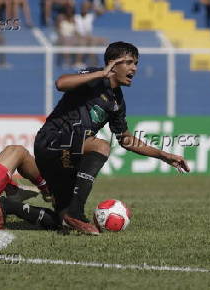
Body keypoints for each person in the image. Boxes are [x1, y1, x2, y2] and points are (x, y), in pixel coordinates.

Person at [34, 42, 190, 235]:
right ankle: (76, 211)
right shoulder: (93, 77)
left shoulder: (117, 102)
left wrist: (164, 156)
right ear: (113, 64)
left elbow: (125, 139)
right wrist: (101, 73)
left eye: (136, 63)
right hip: (51, 141)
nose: (134, 68)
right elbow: (61, 83)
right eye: (130, 62)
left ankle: (8, 207)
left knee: (61, 220)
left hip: (68, 155)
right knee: (101, 146)